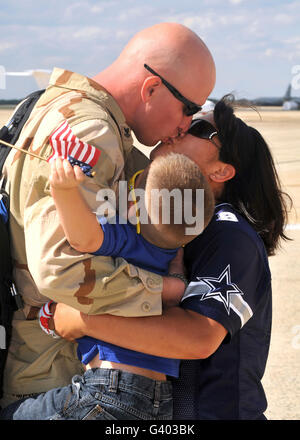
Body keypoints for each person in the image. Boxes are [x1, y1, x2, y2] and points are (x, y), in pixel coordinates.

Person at [0, 22, 216, 409]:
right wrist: (165, 292)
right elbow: (62, 269)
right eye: (189, 109)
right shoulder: (92, 132)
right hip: (56, 374)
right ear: (151, 88)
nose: (185, 124)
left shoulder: (53, 106)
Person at [37, 95, 290, 420]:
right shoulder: (173, 222)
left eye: (197, 127)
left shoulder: (228, 234)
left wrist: (83, 318)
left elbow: (198, 336)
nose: (177, 129)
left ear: (222, 170)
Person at [0, 153, 215, 419]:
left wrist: (62, 189)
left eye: (132, 183)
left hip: (109, 389)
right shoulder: (174, 256)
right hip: (159, 398)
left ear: (137, 207)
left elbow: (84, 238)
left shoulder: (128, 238)